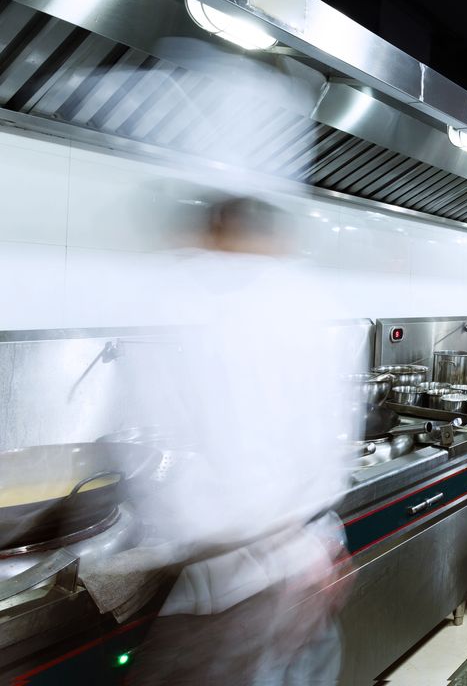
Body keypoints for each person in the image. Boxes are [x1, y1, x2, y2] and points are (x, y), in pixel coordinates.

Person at [129, 195, 353, 684]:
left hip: (243, 591)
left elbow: (190, 485)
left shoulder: (190, 305)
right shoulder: (307, 300)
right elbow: (324, 441)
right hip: (309, 556)